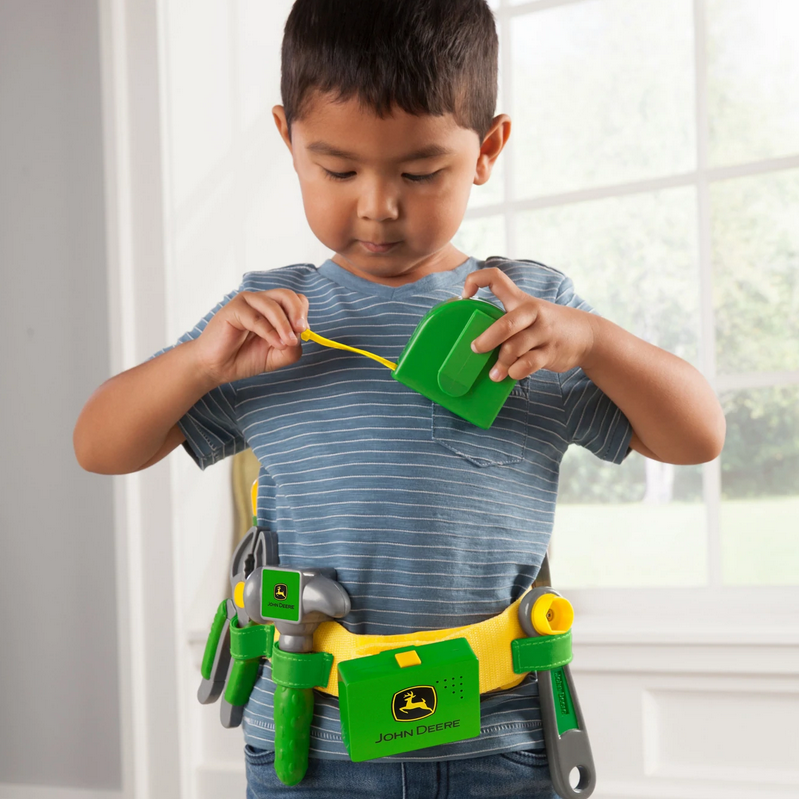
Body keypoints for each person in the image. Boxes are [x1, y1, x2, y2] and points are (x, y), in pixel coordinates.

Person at [73, 0, 726, 796]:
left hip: (499, 744)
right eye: (337, 169)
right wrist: (198, 365)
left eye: (420, 172)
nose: (377, 205)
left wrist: (595, 341)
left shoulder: (531, 319)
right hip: (310, 747)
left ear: (486, 150)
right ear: (287, 140)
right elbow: (99, 445)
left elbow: (696, 435)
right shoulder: (261, 324)